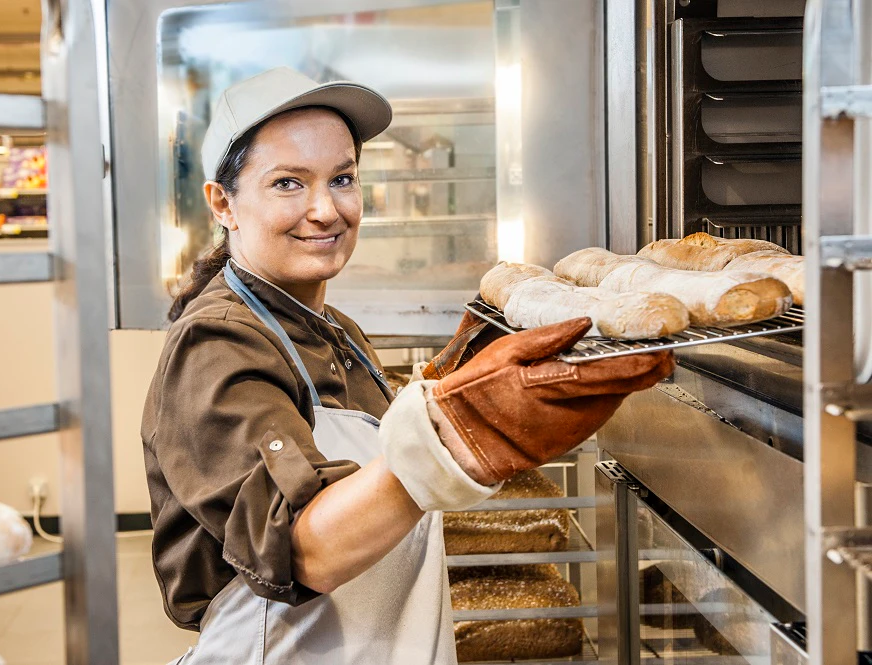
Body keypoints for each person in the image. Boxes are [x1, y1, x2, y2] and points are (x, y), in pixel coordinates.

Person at [141, 66, 673, 664]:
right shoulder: (216, 342)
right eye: (288, 183)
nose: (325, 210)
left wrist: (449, 383)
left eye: (342, 178)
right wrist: (456, 433)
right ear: (224, 204)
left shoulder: (337, 331)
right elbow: (307, 550)